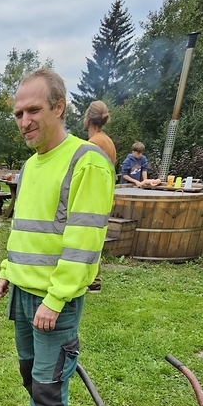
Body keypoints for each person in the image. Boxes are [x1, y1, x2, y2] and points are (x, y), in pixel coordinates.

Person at [0, 69, 115, 406]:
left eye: (34, 110)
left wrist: (56, 298)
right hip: (23, 295)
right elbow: (25, 230)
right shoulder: (29, 165)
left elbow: (84, 244)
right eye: (19, 113)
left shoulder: (87, 163)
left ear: (59, 108)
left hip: (52, 303)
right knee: (31, 374)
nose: (24, 121)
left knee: (49, 387)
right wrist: (7, 270)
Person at [83, 100, 116, 292]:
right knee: (94, 238)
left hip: (93, 197)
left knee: (88, 239)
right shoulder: (107, 141)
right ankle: (94, 279)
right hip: (103, 196)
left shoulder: (94, 143)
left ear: (88, 119)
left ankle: (93, 281)